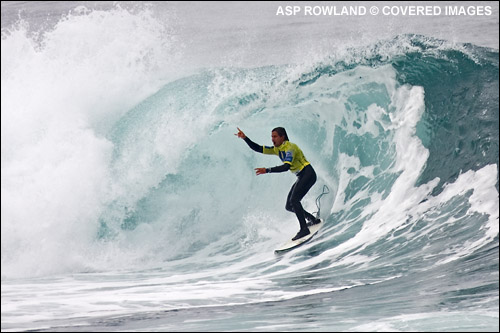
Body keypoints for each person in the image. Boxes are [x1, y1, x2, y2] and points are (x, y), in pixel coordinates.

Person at [235, 127, 321, 240]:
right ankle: (313, 220)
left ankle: (304, 229)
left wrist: (267, 170)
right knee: (289, 206)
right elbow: (258, 148)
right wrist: (245, 138)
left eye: (275, 136)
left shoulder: (290, 147)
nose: (272, 139)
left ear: (282, 137)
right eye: (271, 136)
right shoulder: (277, 149)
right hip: (301, 176)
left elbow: (286, 167)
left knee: (294, 200)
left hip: (308, 174)